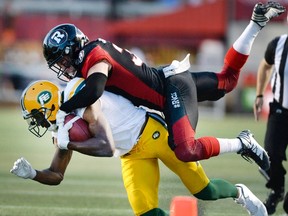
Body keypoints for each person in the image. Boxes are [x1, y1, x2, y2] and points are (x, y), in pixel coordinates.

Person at [41, 2, 284, 170]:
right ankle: (255, 23)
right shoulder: (94, 50)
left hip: (171, 91)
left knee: (185, 150)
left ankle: (243, 143)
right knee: (227, 82)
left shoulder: (92, 55)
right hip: (170, 80)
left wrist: (64, 107)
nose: (63, 66)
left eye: (62, 59)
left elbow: (94, 89)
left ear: (74, 49)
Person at [11, 78, 268, 215]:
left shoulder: (82, 95)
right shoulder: (64, 126)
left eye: (37, 115)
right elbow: (57, 174)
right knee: (146, 213)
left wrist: (70, 143)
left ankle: (239, 193)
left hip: (153, 133)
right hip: (131, 155)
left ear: (49, 104)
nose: (38, 122)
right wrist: (33, 174)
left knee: (205, 191)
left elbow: (105, 147)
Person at [254, 33, 288, 215]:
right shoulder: (278, 44)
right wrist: (259, 94)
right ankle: (277, 190)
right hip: (280, 109)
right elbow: (265, 66)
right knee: (270, 153)